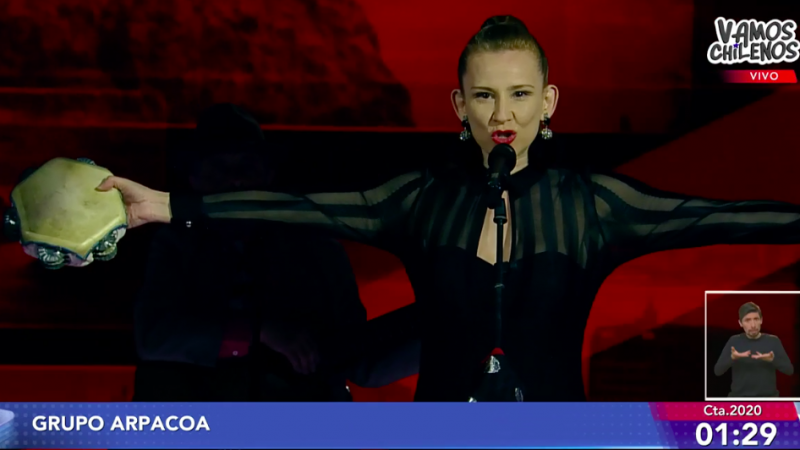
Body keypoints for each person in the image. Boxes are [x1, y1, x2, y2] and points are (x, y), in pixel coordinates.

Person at [97, 16, 800, 402]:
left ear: (549, 102)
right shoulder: (417, 199)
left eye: (521, 95)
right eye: (485, 96)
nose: (503, 115)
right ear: (460, 105)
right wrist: (167, 206)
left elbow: (714, 216)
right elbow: (306, 214)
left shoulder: (590, 204)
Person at [133, 103, 420, 401]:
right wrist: (259, 331)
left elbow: (356, 353)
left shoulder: (317, 248)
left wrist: (443, 324)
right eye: (219, 168)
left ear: (268, 174)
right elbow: (154, 337)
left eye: (247, 166)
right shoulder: (176, 245)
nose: (236, 180)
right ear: (195, 178)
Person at [713, 302, 794, 397]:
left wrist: (772, 360)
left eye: (756, 319)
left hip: (768, 399)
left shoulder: (773, 341)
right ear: (740, 323)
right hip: (739, 399)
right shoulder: (734, 341)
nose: (753, 325)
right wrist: (732, 358)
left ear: (761, 320)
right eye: (747, 320)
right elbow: (717, 371)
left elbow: (789, 370)